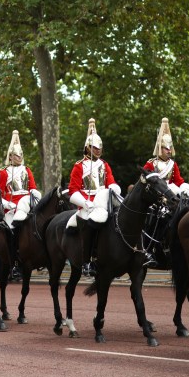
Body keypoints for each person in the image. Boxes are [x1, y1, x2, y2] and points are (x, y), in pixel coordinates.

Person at [67, 118, 121, 277]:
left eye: (100, 148)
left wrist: (114, 188)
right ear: (88, 148)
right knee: (92, 225)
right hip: (87, 203)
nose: (98, 150)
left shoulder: (105, 165)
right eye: (95, 148)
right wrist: (85, 203)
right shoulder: (79, 166)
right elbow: (72, 190)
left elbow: (111, 182)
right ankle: (86, 262)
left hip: (103, 201)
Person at [0, 130, 38, 279]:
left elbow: (32, 188)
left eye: (21, 155)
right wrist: (8, 204)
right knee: (11, 230)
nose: (19, 158)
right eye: (16, 155)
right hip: (11, 209)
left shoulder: (27, 170)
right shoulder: (3, 173)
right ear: (10, 156)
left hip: (26, 206)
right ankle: (14, 262)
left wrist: (34, 195)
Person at [143, 118, 189, 202]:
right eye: (166, 148)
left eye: (170, 148)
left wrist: (184, 188)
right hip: (156, 197)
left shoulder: (173, 164)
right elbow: (144, 182)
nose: (169, 151)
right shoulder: (151, 164)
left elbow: (178, 181)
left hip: (170, 197)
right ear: (160, 148)